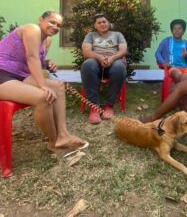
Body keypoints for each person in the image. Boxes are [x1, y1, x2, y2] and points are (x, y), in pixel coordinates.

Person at [0, 11, 87, 153]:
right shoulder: (32, 29)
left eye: (59, 25)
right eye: (52, 22)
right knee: (43, 97)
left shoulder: (47, 40)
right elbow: (31, 57)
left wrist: (46, 63)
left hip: (20, 75)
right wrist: (42, 86)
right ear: (41, 20)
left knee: (58, 86)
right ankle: (54, 142)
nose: (55, 27)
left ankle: (63, 135)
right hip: (2, 75)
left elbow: (36, 62)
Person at [81, 12, 127, 124]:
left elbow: (123, 50)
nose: (102, 24)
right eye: (99, 22)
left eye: (104, 21)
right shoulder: (90, 35)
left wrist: (111, 58)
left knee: (119, 67)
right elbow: (86, 51)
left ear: (109, 23)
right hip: (95, 61)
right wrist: (99, 57)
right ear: (95, 25)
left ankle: (109, 106)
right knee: (88, 64)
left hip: (114, 61)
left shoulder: (117, 35)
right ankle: (94, 108)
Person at [155, 19, 187, 83]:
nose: (177, 31)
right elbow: (157, 53)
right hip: (173, 68)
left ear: (183, 31)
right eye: (174, 29)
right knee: (178, 75)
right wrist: (163, 62)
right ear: (172, 31)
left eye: (179, 28)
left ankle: (182, 91)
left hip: (186, 68)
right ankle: (181, 91)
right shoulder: (166, 41)